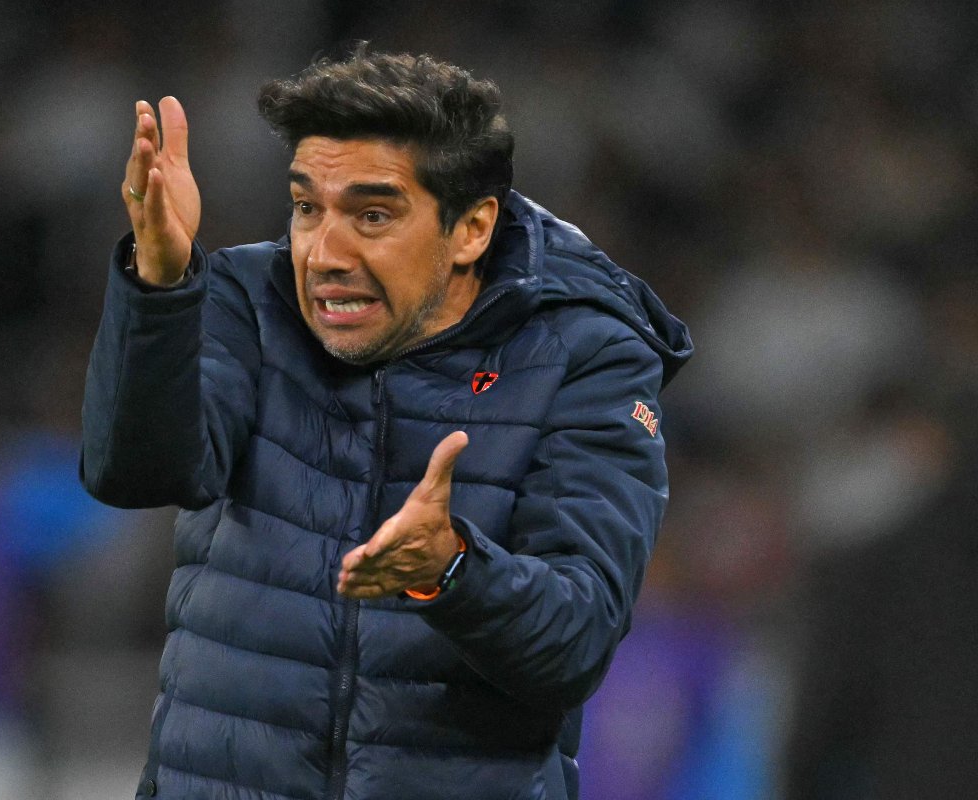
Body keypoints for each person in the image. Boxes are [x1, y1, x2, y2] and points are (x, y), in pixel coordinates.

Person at [81, 48, 692, 800]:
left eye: (372, 215)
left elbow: (575, 643)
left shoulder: (587, 356)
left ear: (470, 229)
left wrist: (452, 570)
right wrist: (160, 285)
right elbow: (134, 471)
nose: (324, 254)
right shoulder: (249, 301)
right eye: (308, 208)